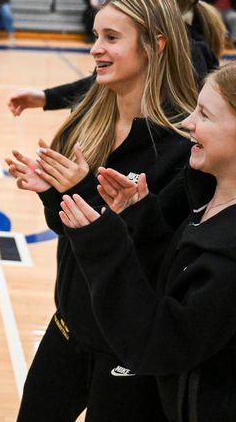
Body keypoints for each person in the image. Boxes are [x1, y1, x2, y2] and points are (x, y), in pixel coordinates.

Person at [8, 0, 198, 421]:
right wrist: (52, 192)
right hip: (68, 326)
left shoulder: (183, 144)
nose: (96, 49)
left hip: (128, 347)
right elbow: (68, 231)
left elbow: (157, 252)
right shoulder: (89, 120)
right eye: (95, 36)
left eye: (111, 38)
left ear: (156, 43)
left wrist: (84, 191)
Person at [58, 63, 236, 422]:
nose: (188, 123)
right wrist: (139, 214)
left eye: (204, 114)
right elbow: (173, 279)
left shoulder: (228, 258)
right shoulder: (207, 195)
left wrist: (104, 247)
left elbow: (160, 344)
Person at [8, 0, 224, 116]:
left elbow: (173, 136)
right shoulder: (135, 38)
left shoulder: (190, 57)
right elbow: (95, 85)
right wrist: (46, 97)